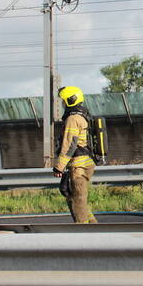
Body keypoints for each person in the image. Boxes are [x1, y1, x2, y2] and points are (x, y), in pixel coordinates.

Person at [52, 85, 98, 223]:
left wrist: (59, 167)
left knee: (78, 199)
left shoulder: (73, 119)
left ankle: (83, 231)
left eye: (64, 101)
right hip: (85, 162)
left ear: (71, 100)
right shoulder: (83, 115)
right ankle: (93, 226)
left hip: (79, 164)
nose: (63, 104)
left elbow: (69, 145)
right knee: (76, 197)